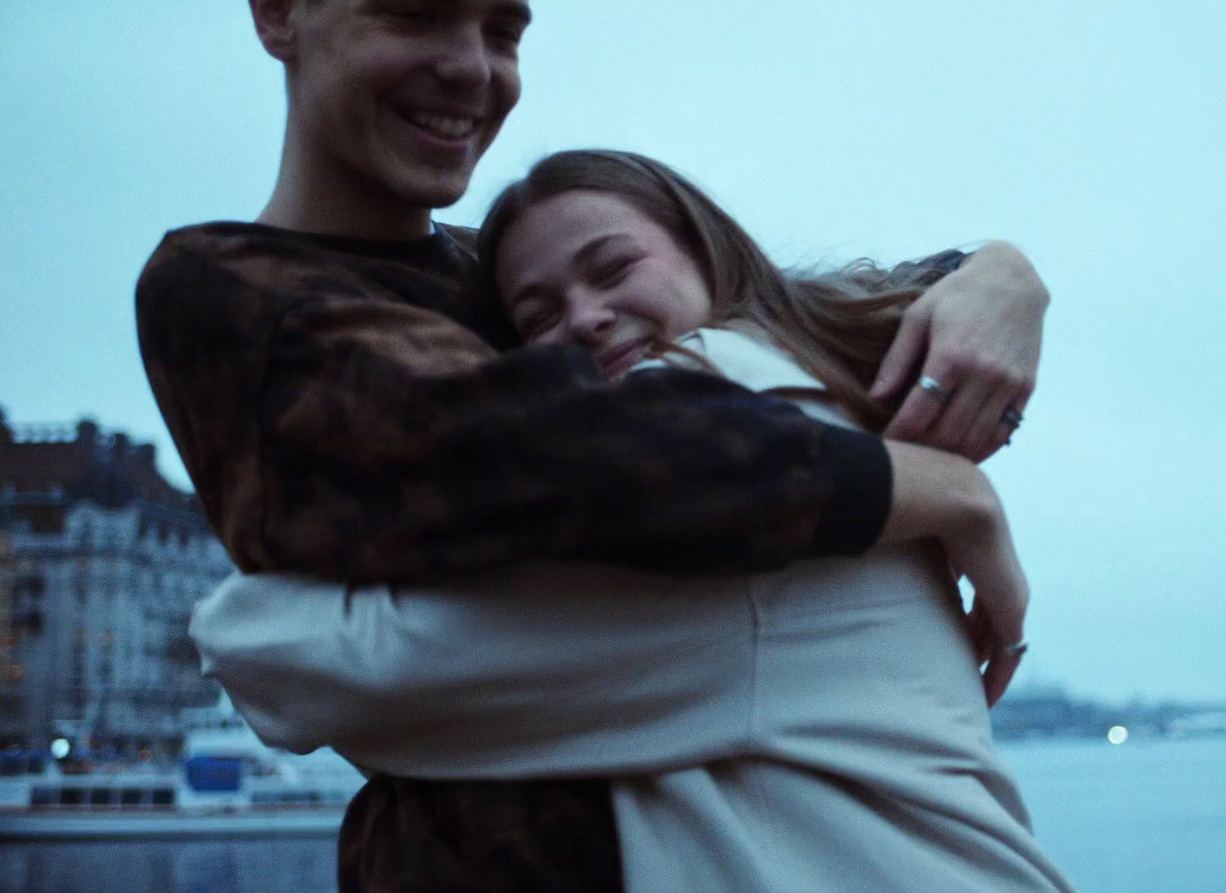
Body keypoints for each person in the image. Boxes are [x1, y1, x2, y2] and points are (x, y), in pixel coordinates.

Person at [138, 0, 1050, 888]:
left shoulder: (635, 339)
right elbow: (548, 454)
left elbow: (351, 661)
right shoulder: (244, 294)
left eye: (503, 30)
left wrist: (999, 275)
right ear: (279, 14)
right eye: (415, 14)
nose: (472, 68)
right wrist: (939, 487)